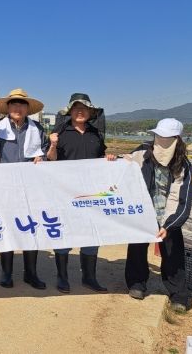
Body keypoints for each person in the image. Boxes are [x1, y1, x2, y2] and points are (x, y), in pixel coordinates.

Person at [46, 93, 116, 293]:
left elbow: (101, 156)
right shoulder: (60, 132)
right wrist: (52, 144)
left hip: (91, 193)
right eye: (76, 108)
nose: (80, 111)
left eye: (84, 108)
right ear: (70, 111)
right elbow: (50, 159)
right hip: (64, 193)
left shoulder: (95, 133)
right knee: (64, 233)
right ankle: (62, 278)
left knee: (91, 234)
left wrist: (109, 158)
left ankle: (89, 277)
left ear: (90, 112)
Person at [123, 118, 192, 313]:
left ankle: (178, 295)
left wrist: (169, 225)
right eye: (158, 136)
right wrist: (114, 160)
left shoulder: (183, 165)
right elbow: (125, 164)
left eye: (166, 138)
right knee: (137, 249)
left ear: (176, 139)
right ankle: (137, 283)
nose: (161, 141)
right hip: (143, 212)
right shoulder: (143, 152)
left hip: (167, 216)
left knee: (173, 255)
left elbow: (181, 199)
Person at [0, 88, 48, 290]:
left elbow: (46, 151)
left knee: (32, 227)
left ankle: (31, 273)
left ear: (27, 108)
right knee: (7, 227)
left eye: (21, 104)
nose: (17, 107)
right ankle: (6, 273)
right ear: (7, 108)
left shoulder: (38, 128)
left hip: (31, 185)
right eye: (13, 104)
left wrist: (42, 157)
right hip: (6, 184)